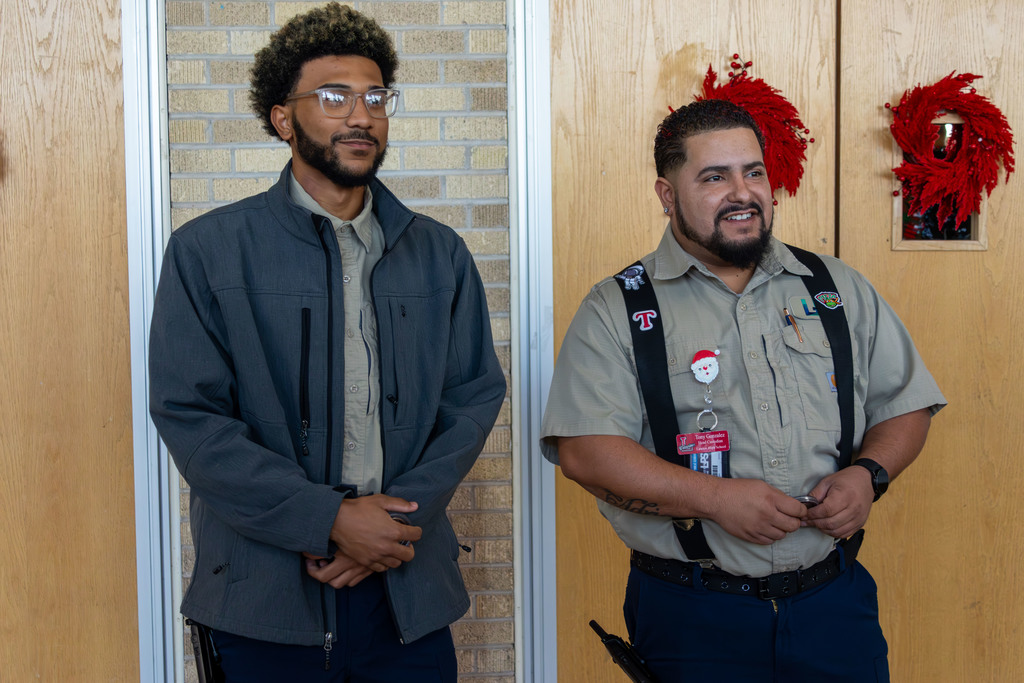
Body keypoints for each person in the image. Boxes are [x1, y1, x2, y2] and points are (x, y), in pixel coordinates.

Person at [148, 4, 506, 681]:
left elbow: (471, 400)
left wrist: (387, 528)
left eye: (375, 96)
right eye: (335, 96)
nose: (360, 115)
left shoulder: (439, 254)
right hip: (263, 599)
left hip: (407, 592)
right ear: (283, 117)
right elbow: (192, 418)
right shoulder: (209, 251)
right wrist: (330, 518)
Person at [541, 98, 946, 682]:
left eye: (753, 172)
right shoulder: (618, 308)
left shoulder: (835, 287)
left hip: (834, 608)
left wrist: (869, 475)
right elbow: (586, 453)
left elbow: (905, 403)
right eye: (714, 177)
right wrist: (716, 500)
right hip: (694, 616)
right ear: (666, 194)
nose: (742, 192)